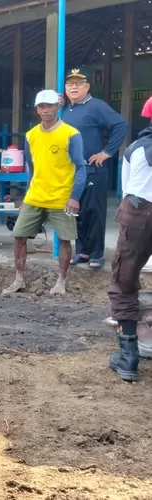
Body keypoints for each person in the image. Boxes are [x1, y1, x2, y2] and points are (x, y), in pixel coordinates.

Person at [3, 90, 86, 296]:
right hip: (36, 195)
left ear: (58, 107)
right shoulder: (31, 135)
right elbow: (33, 169)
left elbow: (81, 167)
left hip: (62, 198)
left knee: (65, 239)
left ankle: (61, 281)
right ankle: (19, 279)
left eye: (50, 106)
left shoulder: (71, 134)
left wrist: (75, 196)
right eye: (41, 106)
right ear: (36, 110)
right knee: (19, 235)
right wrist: (26, 196)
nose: (46, 110)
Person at [62, 68, 128, 270]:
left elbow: (121, 125)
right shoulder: (66, 110)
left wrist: (107, 152)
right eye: (70, 84)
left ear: (87, 86)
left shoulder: (96, 106)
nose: (73, 87)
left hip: (93, 170)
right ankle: (82, 250)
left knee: (94, 212)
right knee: (76, 213)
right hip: (73, 171)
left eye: (78, 83)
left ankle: (97, 254)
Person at [106, 102, 152, 382]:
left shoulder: (135, 149)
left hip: (138, 213)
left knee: (124, 282)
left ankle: (128, 357)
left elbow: (126, 190)